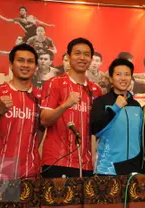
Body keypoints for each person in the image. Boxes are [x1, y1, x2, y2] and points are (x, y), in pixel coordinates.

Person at [40, 38, 102, 178]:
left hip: (85, 164)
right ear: (68, 57)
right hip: (57, 161)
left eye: (86, 54)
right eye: (77, 53)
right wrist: (65, 105)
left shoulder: (96, 90)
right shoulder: (54, 83)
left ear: (91, 59)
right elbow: (44, 120)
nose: (82, 58)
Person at [0, 44, 43, 180]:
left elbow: (39, 133)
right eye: (20, 60)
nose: (25, 65)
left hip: (30, 171)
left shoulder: (40, 97)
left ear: (36, 67)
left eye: (30, 61)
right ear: (11, 64)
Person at [91, 58, 143, 175]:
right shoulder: (101, 102)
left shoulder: (137, 105)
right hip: (108, 168)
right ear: (111, 78)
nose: (123, 78)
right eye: (118, 74)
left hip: (134, 167)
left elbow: (140, 136)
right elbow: (95, 130)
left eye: (127, 74)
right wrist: (115, 108)